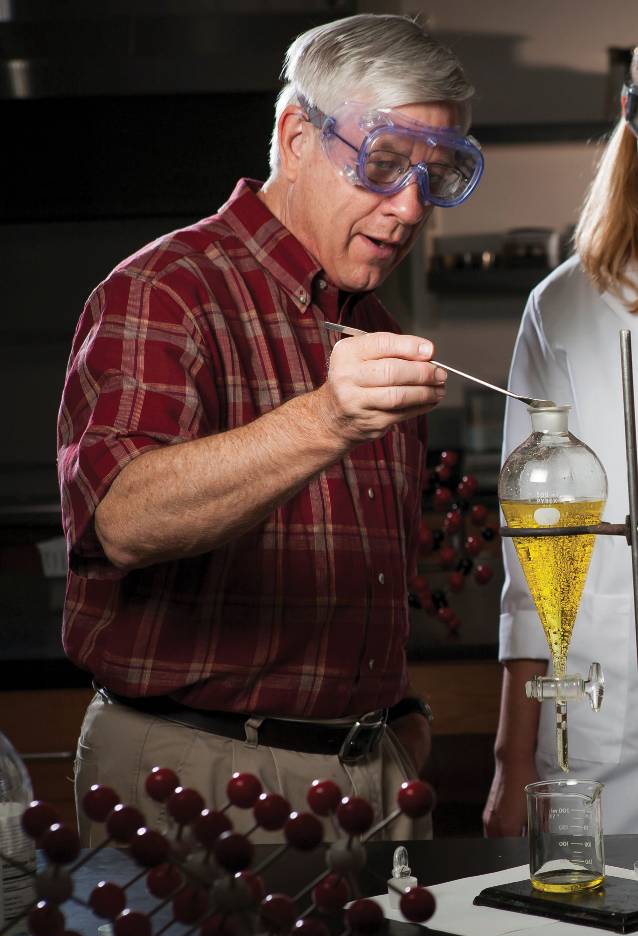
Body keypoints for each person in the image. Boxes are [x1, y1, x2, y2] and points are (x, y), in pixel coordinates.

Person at [58, 13, 483, 845]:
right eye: (386, 165)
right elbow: (123, 520)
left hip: (374, 774)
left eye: (434, 179)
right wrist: (325, 419)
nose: (409, 209)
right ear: (296, 137)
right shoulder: (166, 289)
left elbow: (358, 575)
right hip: (198, 773)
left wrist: (397, 715)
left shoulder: (373, 320)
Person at [483, 48, 638, 837]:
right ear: (630, 117)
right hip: (604, 731)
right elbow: (530, 556)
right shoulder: (567, 306)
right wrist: (512, 763)